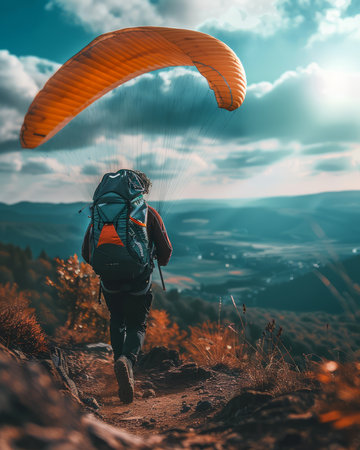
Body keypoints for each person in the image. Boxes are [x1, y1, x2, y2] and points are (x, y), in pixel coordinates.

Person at [81, 170, 172, 403]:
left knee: (117, 320)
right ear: (143, 190)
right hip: (137, 279)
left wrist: (108, 265)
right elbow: (166, 250)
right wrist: (155, 260)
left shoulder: (101, 211)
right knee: (136, 325)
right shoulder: (148, 213)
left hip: (109, 280)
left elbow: (86, 252)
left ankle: (117, 364)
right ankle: (127, 362)